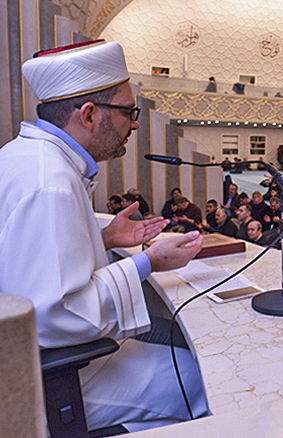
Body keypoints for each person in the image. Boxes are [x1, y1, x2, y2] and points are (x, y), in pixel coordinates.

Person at [0, 40, 207, 431]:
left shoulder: (23, 156)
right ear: (90, 115)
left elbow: (31, 267)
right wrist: (148, 262)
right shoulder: (51, 182)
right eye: (129, 111)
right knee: (202, 381)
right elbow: (56, 315)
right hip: (56, 380)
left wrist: (106, 238)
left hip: (45, 362)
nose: (135, 124)